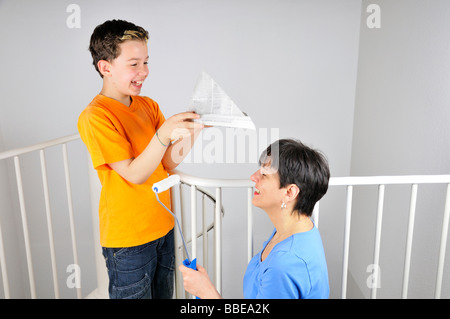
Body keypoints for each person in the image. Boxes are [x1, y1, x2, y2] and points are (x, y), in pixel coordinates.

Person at [77, 19, 204, 299]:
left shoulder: (148, 105)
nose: (144, 72)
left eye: (146, 62)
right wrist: (163, 133)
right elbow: (134, 173)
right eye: (134, 64)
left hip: (164, 227)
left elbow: (167, 163)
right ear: (105, 67)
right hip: (129, 241)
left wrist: (193, 130)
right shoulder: (96, 116)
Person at [179, 139, 330, 299]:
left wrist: (206, 292)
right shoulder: (295, 230)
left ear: (289, 192)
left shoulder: (284, 263)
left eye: (264, 174)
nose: (253, 177)